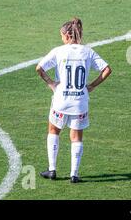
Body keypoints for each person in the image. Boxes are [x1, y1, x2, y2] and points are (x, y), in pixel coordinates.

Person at [36, 17, 112, 183]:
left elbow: (39, 68)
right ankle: (74, 174)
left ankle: (52, 169)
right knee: (76, 138)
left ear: (66, 36)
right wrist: (92, 86)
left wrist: (51, 84)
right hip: (80, 102)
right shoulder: (88, 52)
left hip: (61, 100)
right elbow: (107, 69)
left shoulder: (59, 51)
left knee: (53, 131)